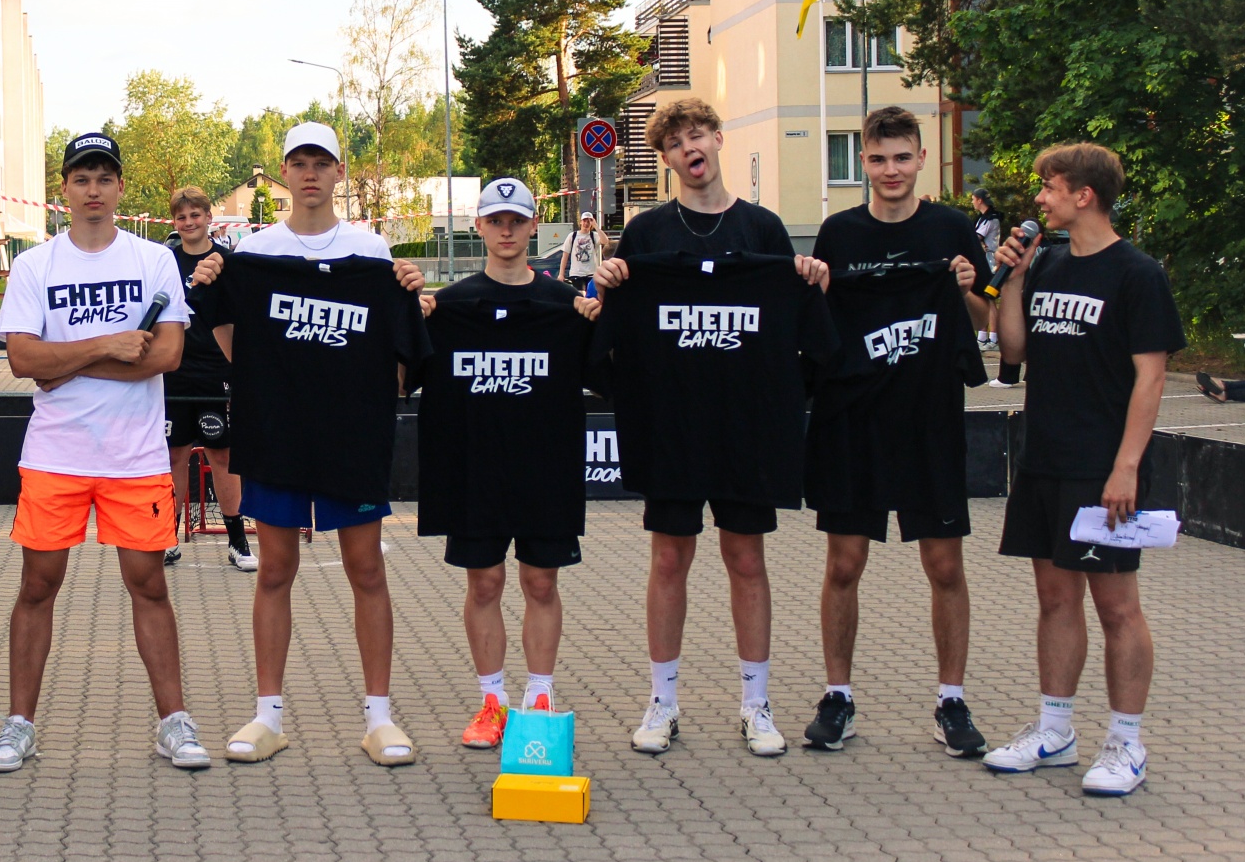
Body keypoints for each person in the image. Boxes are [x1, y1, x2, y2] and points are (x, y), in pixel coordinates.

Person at [590, 97, 829, 759]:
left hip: (746, 427)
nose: (689, 148)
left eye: (697, 135)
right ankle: (662, 703)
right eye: (674, 143)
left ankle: (756, 704)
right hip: (672, 427)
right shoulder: (646, 235)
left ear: (719, 139)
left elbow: (804, 328)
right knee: (669, 558)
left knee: (746, 558)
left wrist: (810, 279)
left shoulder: (764, 230)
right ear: (665, 159)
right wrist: (607, 284)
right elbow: (613, 330)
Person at [191, 121, 430, 768]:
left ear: (339, 172)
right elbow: (228, 334)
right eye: (299, 162)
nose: (310, 174)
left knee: (367, 569)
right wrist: (267, 381)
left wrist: (406, 296)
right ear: (285, 173)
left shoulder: (372, 253)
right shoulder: (257, 252)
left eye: (322, 162)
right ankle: (267, 715)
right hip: (279, 435)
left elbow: (401, 347)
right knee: (274, 569)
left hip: (351, 436)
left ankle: (379, 716)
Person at [0, 131, 210, 774]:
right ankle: (19, 725)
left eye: (104, 178)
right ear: (63, 189)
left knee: (149, 584)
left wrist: (66, 364)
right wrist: (107, 345)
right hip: (55, 456)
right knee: (38, 586)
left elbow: (167, 354)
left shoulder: (153, 260)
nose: (93, 190)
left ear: (119, 188)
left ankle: (174, 722)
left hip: (135, 457)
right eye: (81, 178)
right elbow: (22, 358)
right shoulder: (36, 265)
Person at [982, 142, 1182, 797]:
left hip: (1103, 468)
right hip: (1044, 457)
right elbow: (1014, 351)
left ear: (1083, 195)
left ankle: (1126, 743)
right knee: (1055, 597)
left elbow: (1151, 378)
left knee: (1117, 605)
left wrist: (1126, 467)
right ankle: (1054, 730)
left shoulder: (1137, 274)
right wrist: (1014, 277)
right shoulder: (1048, 264)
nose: (1040, 198)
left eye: (1049, 187)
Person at [802, 107, 993, 758]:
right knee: (843, 564)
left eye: (902, 157)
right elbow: (816, 317)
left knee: (945, 565)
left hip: (929, 422)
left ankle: (951, 700)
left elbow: (986, 317)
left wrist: (966, 288)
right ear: (863, 161)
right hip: (852, 422)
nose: (891, 170)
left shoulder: (950, 229)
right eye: (879, 159)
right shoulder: (839, 233)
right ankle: (838, 697)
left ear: (921, 158)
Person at [415, 177, 602, 748]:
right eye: (495, 220)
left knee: (541, 582)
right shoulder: (447, 306)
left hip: (545, 467)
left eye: (516, 220)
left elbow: (610, 373)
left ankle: (540, 696)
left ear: (533, 226)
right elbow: (399, 373)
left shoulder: (564, 306)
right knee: (485, 583)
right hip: (474, 468)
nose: (506, 230)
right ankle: (492, 702)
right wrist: (415, 314)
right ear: (478, 226)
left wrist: (598, 320)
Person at [163, 186, 248, 570]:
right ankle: (167, 538)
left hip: (217, 372)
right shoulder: (165, 261)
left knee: (223, 456)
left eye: (195, 215)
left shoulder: (227, 262)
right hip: (174, 374)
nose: (188, 222)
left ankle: (237, 542)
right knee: (173, 456)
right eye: (181, 217)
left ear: (209, 218)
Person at [970, 191, 1001, 351]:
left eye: (973, 199)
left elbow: (976, 238)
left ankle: (993, 338)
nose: (972, 202)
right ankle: (982, 336)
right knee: (982, 298)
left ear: (980, 200)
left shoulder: (991, 219)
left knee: (989, 300)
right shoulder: (983, 218)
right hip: (984, 262)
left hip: (990, 264)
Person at [559, 210, 609, 294]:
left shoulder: (594, 236)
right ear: (581, 222)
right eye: (584, 221)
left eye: (589, 221)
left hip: (592, 273)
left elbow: (605, 241)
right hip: (577, 273)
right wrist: (561, 274)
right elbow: (565, 256)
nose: (586, 223)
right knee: (581, 295)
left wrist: (596, 227)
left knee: (592, 296)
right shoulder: (572, 236)